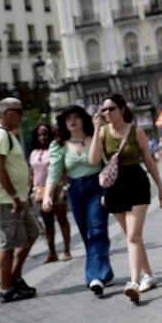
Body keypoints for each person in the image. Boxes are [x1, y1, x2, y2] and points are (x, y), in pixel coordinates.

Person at [88, 94, 162, 304]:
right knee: (133, 237)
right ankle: (148, 275)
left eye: (111, 108)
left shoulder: (135, 131)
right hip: (114, 187)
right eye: (104, 110)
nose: (107, 113)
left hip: (137, 183)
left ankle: (133, 282)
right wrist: (96, 130)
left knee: (132, 235)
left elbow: (149, 160)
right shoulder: (103, 133)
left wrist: (160, 187)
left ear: (122, 109)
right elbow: (94, 159)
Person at [43, 105, 113, 295]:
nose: (72, 121)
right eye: (68, 119)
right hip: (75, 190)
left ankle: (94, 277)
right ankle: (104, 271)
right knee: (86, 233)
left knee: (97, 230)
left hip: (96, 188)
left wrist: (110, 190)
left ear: (83, 119)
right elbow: (54, 172)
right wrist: (48, 196)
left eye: (76, 117)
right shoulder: (59, 145)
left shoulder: (96, 138)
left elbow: (108, 164)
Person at [0, 98, 40, 303]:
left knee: (33, 233)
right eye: (19, 111)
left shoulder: (6, 134)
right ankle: (6, 289)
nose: (22, 115)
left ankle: (15, 277)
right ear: (6, 112)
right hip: (4, 198)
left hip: (15, 197)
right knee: (7, 243)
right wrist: (14, 196)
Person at [28, 124, 72, 263]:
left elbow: (63, 169)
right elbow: (32, 173)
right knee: (48, 223)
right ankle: (52, 253)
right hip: (40, 190)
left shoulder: (56, 149)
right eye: (40, 135)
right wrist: (29, 191)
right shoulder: (34, 153)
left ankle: (66, 250)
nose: (43, 137)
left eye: (45, 134)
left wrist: (64, 187)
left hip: (57, 187)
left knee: (62, 219)